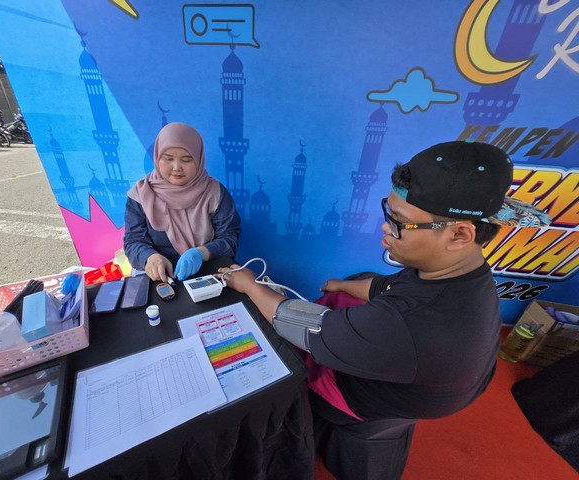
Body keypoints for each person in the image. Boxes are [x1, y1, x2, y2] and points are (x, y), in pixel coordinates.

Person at [217, 140, 551, 480]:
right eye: (387, 212)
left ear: (459, 235)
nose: (384, 227)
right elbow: (387, 286)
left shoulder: (410, 323)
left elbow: (300, 325)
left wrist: (249, 285)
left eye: (398, 222)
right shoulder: (465, 272)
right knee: (357, 282)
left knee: (276, 354)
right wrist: (343, 286)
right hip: (432, 383)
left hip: (365, 400)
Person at [124, 122, 241, 282]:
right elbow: (133, 240)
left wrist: (200, 253)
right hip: (161, 279)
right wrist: (150, 257)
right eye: (168, 159)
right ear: (157, 158)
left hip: (210, 274)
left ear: (199, 160)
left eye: (186, 160)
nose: (177, 167)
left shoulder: (215, 192)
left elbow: (229, 238)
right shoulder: (140, 194)